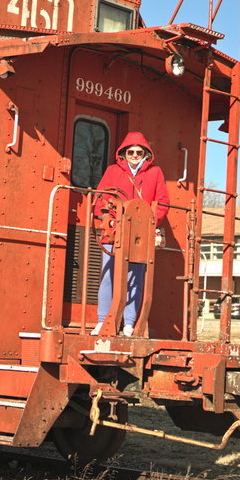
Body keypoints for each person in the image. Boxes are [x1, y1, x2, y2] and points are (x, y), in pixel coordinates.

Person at [93, 132, 169, 336]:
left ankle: (128, 323)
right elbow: (101, 197)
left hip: (139, 233)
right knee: (108, 275)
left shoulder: (155, 172)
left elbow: (162, 201)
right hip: (113, 230)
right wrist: (108, 219)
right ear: (123, 154)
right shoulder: (112, 171)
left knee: (135, 276)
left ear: (146, 153)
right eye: (130, 152)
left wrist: (151, 221)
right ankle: (103, 320)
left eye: (139, 152)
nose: (135, 155)